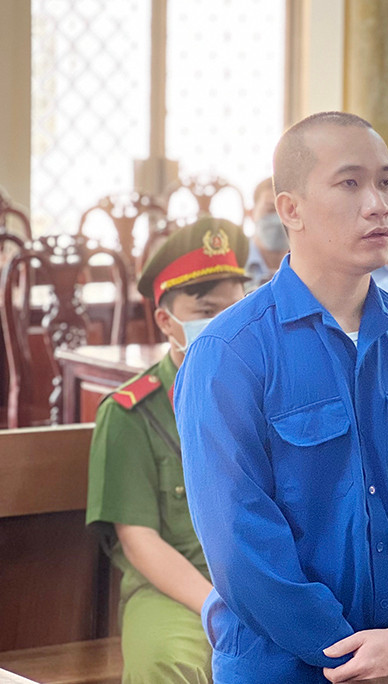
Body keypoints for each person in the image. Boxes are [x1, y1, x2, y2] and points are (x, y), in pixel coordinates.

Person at [173, 111, 388, 683]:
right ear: (290, 209)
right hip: (281, 666)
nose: (379, 205)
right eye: (350, 183)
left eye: (386, 182)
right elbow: (241, 543)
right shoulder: (230, 353)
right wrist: (351, 657)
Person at [86, 217, 250, 683]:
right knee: (169, 662)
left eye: (235, 309)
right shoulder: (129, 414)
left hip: (257, 581)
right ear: (165, 320)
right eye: (206, 310)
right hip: (172, 590)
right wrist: (215, 607)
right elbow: (140, 541)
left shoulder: (264, 398)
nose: (223, 324)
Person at [244, 177, 287, 290]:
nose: (279, 219)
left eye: (286, 210)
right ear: (251, 213)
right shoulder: (235, 263)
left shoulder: (309, 267)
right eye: (271, 210)